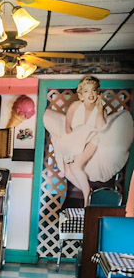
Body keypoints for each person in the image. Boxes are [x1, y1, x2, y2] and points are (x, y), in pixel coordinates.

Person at [43, 76, 130, 206]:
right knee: (67, 171)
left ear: (98, 93)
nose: (91, 94)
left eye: (94, 90)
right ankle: (87, 190)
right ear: (81, 94)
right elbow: (67, 127)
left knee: (76, 167)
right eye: (86, 91)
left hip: (92, 139)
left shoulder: (101, 109)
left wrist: (100, 108)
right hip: (76, 140)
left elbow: (100, 128)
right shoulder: (75, 106)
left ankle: (87, 198)